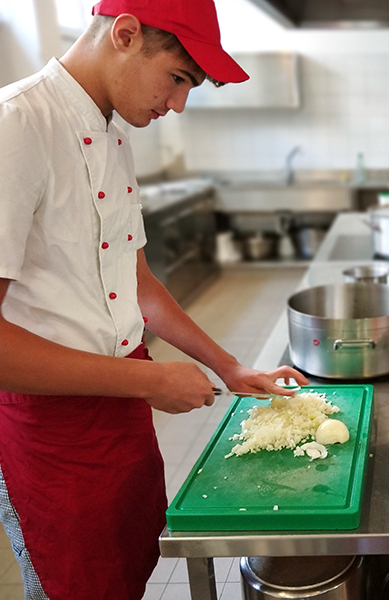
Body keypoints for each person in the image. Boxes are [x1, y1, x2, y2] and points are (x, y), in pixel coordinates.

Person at [0, 1, 308, 598]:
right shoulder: (17, 126)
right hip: (52, 435)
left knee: (129, 568)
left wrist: (230, 367)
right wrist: (147, 382)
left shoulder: (113, 134)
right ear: (125, 33)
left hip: (122, 417)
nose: (178, 105)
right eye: (178, 78)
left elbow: (137, 282)